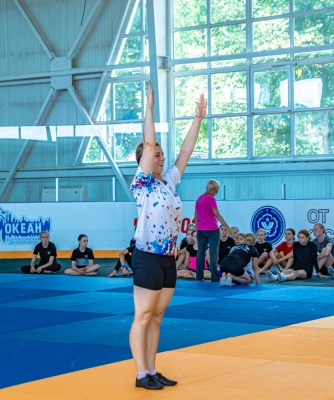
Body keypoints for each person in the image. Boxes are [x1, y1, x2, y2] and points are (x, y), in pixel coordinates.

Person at [128, 82, 204, 390]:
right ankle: (140, 374)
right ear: (146, 160)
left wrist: (198, 119)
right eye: (157, 155)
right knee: (143, 316)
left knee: (157, 317)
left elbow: (186, 151)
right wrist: (149, 109)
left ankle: (152, 369)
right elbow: (148, 143)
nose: (161, 158)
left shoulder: (169, 181)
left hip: (168, 258)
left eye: (162, 155)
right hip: (147, 256)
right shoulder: (142, 183)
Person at [194, 179, 231, 282]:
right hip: (212, 229)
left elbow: (195, 216)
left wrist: (197, 229)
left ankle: (199, 277)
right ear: (213, 189)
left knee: (200, 253)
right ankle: (214, 277)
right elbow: (217, 214)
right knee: (213, 253)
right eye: (217, 189)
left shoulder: (199, 199)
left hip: (201, 229)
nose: (217, 192)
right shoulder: (211, 199)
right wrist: (227, 226)